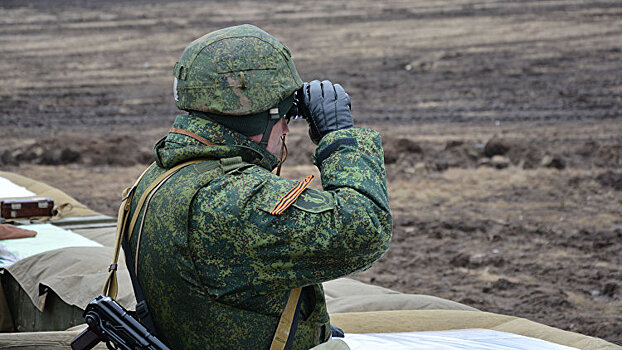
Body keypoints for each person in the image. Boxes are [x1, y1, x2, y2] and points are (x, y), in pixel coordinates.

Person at [123, 24, 392, 350]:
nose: (285, 130)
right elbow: (366, 228)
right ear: (252, 118)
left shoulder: (162, 176)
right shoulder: (232, 202)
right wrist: (339, 139)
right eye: (282, 116)